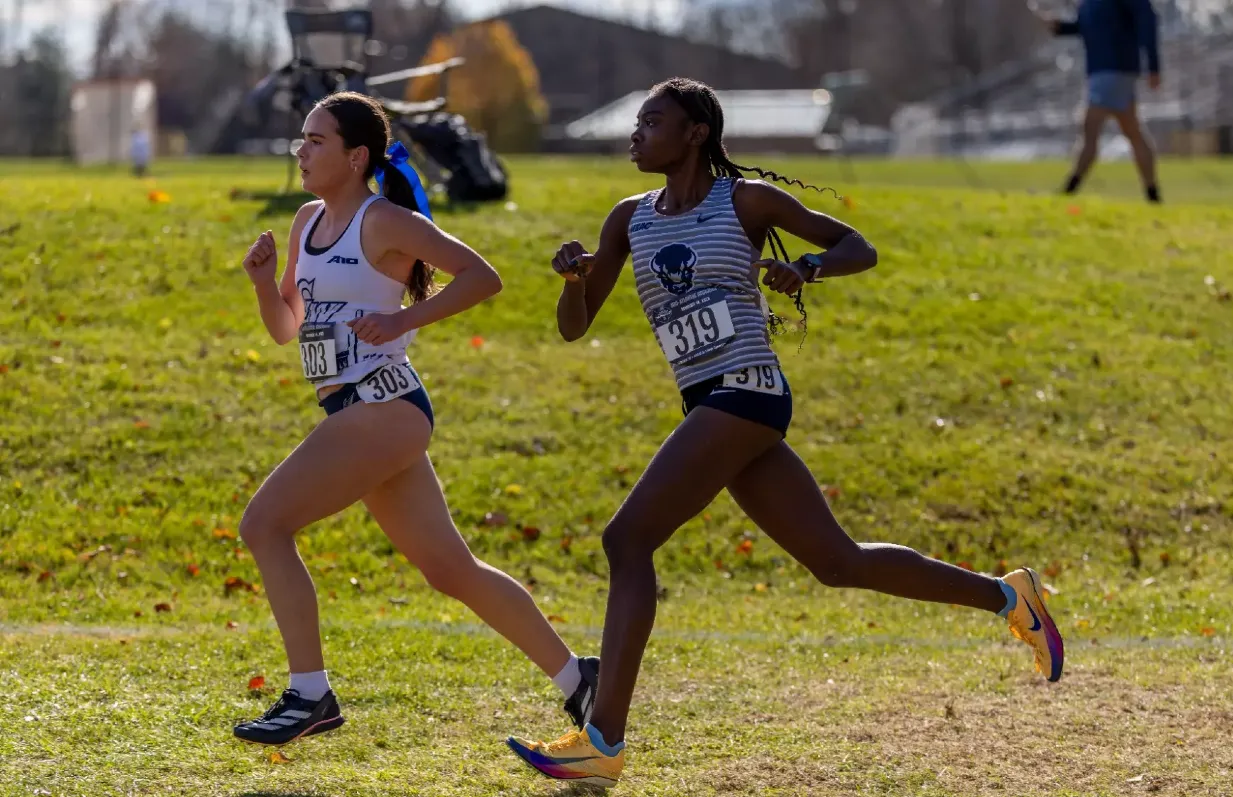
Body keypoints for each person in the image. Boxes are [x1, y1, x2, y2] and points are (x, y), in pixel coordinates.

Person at [505, 77, 1065, 789]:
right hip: (708, 404)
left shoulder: (744, 202)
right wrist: (573, 281)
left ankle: (603, 736)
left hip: (750, 393)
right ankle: (1009, 595)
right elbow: (573, 327)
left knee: (627, 538)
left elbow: (856, 245)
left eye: (653, 121)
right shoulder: (628, 219)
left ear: (696, 132)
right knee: (838, 561)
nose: (636, 132)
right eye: (637, 121)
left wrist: (808, 267)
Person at [232, 91, 597, 746]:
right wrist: (263, 284)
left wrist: (402, 319)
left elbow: (482, 276)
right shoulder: (306, 221)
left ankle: (309, 692)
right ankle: (579, 678)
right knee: (450, 570)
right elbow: (287, 328)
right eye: (302, 139)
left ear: (356, 156)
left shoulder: (384, 222)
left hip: (384, 403)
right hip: (356, 409)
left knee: (264, 523)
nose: (302, 150)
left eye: (316, 141)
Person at [1038, 0, 1163, 203]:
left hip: (1114, 69)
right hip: (1102, 72)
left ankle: (1069, 191)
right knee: (1132, 132)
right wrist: (1060, 28)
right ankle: (1153, 194)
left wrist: (1154, 66)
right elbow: (1089, 27)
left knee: (1090, 128)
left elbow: (1147, 21)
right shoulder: (1089, 4)